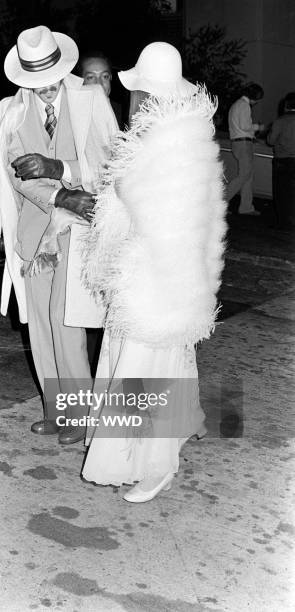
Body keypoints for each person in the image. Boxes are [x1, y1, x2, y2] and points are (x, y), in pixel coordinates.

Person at [80, 42, 227, 502]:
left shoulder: (176, 140)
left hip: (159, 278)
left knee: (147, 371)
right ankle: (140, 453)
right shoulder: (171, 133)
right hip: (149, 273)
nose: (136, 98)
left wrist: (124, 186)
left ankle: (158, 465)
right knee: (142, 363)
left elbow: (166, 215)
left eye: (140, 89)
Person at [0, 26, 118, 444]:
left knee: (67, 320)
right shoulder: (12, 111)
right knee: (39, 325)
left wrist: (64, 172)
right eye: (33, 83)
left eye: (49, 80)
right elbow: (19, 175)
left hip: (78, 230)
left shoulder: (90, 98)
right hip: (33, 233)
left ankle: (80, 416)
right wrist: (61, 195)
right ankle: (56, 411)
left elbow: (113, 162)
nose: (42, 90)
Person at [226, 83, 265, 215]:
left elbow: (239, 127)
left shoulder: (236, 104)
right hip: (243, 144)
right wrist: (258, 127)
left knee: (247, 176)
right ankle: (219, 203)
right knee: (244, 175)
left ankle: (246, 207)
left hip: (238, 143)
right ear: (255, 97)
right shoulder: (244, 106)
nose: (258, 102)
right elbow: (245, 126)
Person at [267, 92, 295, 230]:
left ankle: (284, 223)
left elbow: (270, 141)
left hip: (282, 161)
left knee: (282, 193)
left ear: (286, 105)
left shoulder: (280, 121)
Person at [78, 51, 122, 126]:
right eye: (91, 77)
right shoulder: (72, 113)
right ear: (80, 81)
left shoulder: (118, 110)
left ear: (110, 77)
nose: (99, 84)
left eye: (105, 76)